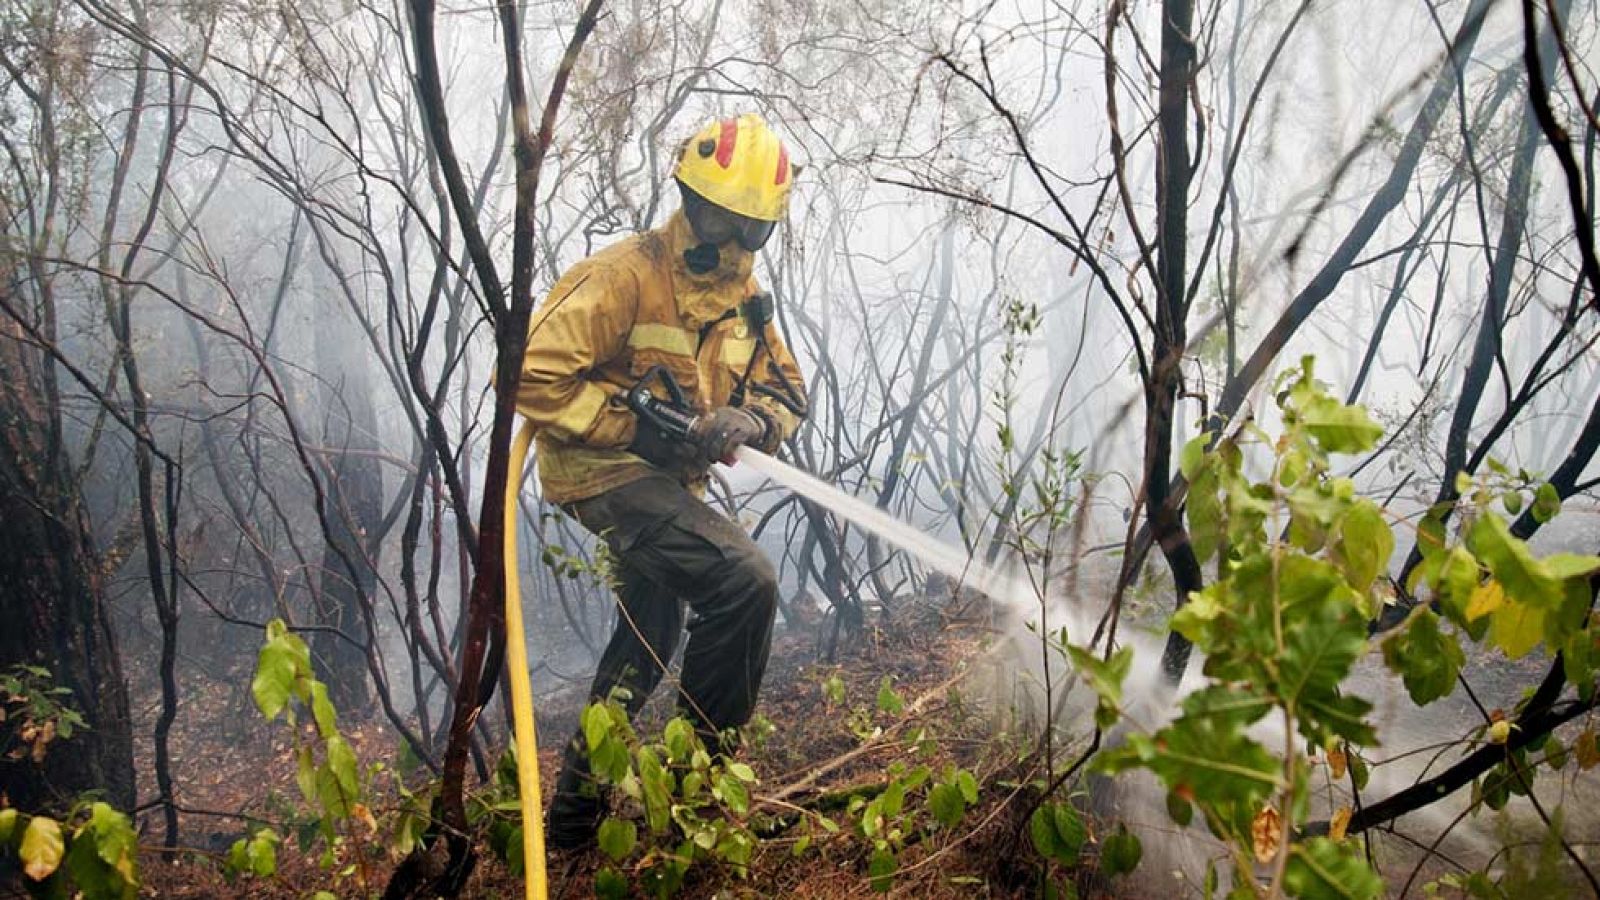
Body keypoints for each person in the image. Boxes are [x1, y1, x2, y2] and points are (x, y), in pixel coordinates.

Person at [513, 113, 807, 849]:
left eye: (752, 230)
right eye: (720, 220)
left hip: (671, 487)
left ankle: (572, 827)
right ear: (689, 201)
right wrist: (629, 427)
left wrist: (749, 422)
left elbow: (788, 394)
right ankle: (696, 802)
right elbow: (527, 372)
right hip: (603, 473)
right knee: (745, 582)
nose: (734, 245)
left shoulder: (748, 305)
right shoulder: (624, 275)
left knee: (649, 638)